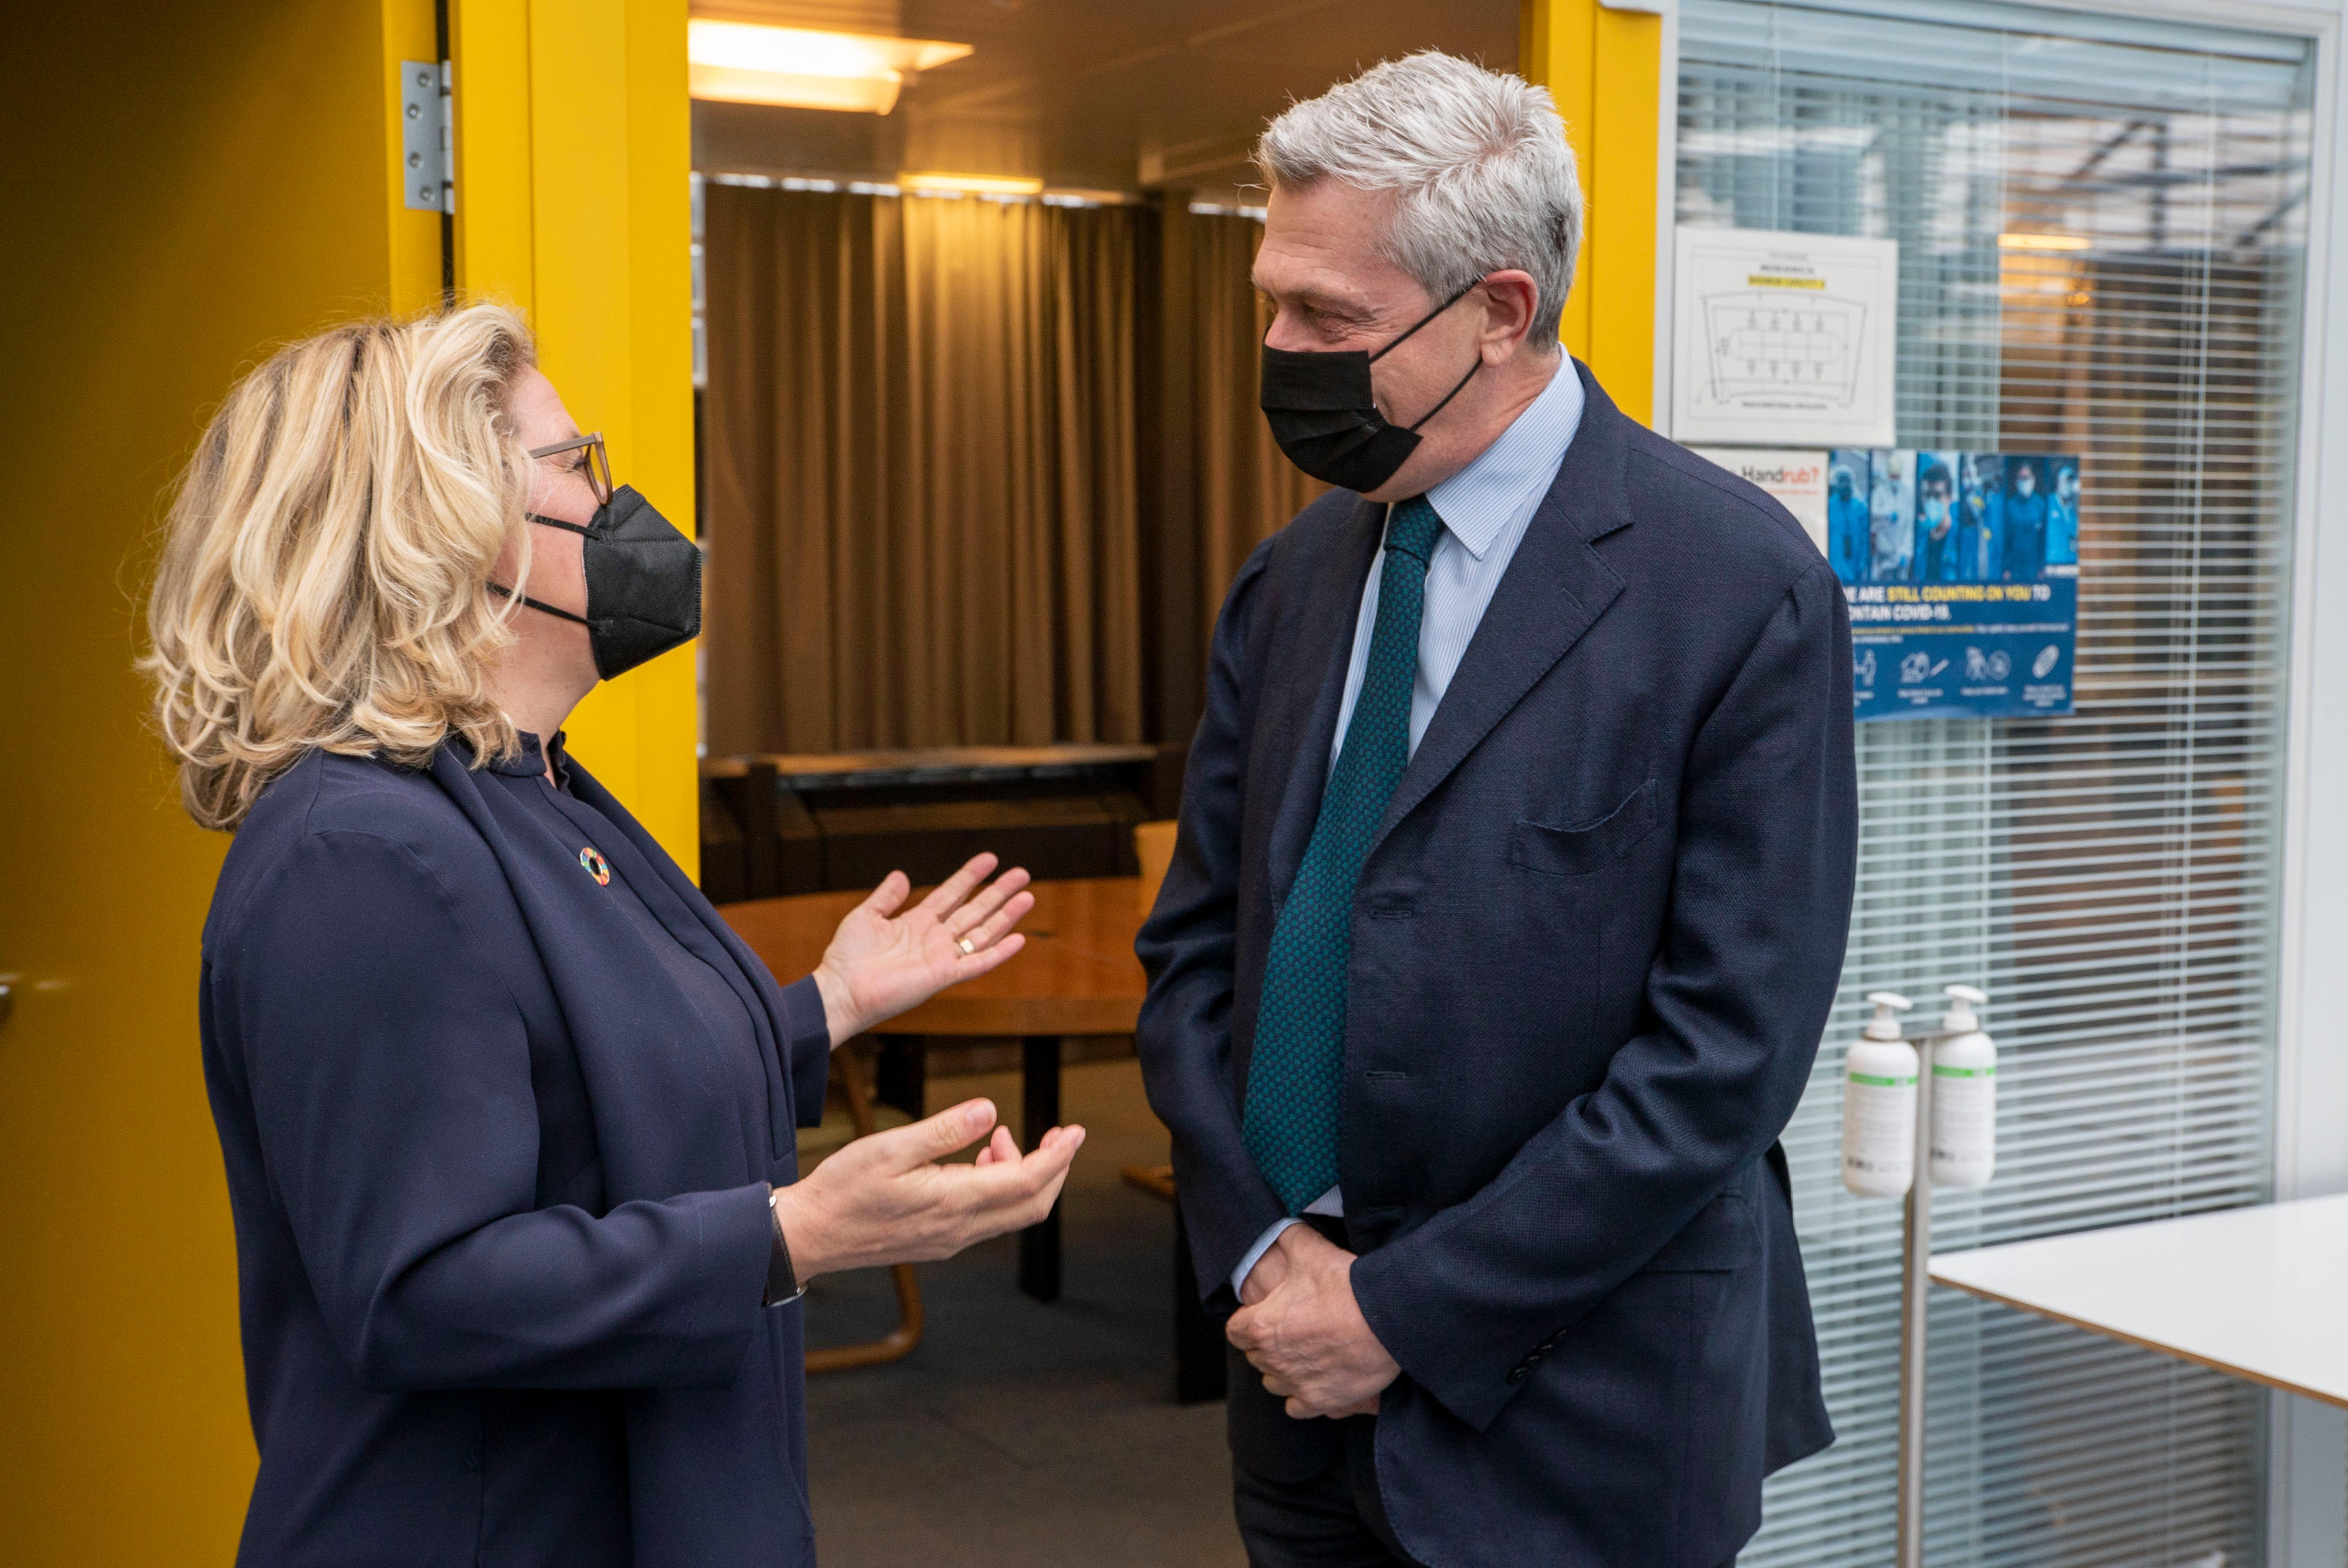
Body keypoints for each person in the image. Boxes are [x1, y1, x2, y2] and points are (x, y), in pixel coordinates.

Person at [140, 305, 1085, 1568]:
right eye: (574, 461)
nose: (613, 498)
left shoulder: (525, 786)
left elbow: (572, 1085)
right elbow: (424, 1289)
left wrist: (822, 1006)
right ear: (451, 524)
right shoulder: (358, 851)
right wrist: (796, 1232)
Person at [1136, 52, 1855, 1568]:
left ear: (1503, 310)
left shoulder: (1734, 589)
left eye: (1329, 318)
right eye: (1272, 302)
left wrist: (1399, 1308)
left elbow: (1722, 1059)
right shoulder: (1292, 579)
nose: (1279, 348)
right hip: (1295, 1385)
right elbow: (1197, 954)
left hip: (1583, 1419)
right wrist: (1269, 1252)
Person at [2001, 457, 2049, 581]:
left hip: (2034, 567)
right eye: (2021, 478)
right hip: (2014, 568)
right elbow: (2006, 540)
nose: (2025, 481)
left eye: (2027, 478)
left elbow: (2044, 539)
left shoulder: (2041, 506)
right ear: (2016, 482)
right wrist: (2006, 568)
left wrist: (2042, 567)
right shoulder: (2010, 506)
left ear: (2033, 479)